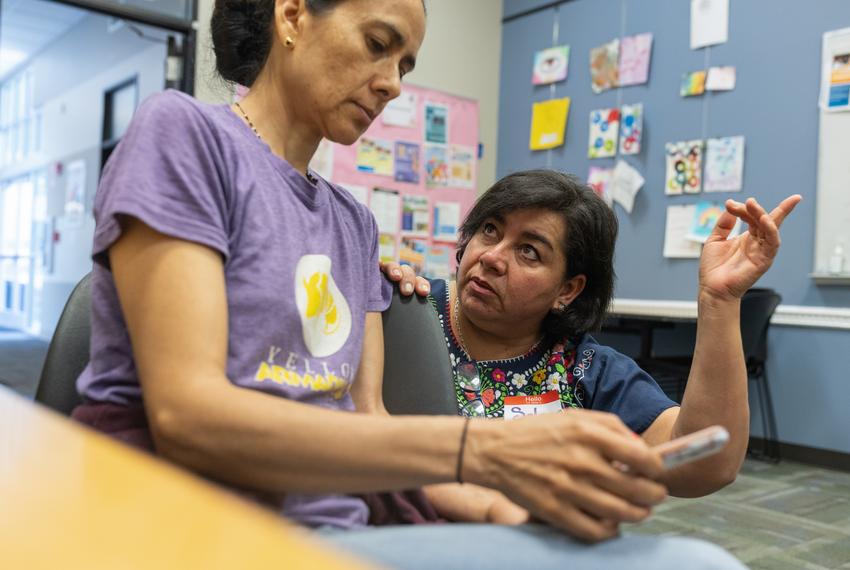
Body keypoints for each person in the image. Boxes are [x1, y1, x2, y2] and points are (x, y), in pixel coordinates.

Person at [71, 0, 748, 567]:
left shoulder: (353, 226)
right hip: (186, 524)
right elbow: (188, 417)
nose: (392, 83)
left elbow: (367, 426)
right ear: (293, 14)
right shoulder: (185, 134)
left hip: (339, 528)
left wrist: (516, 509)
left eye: (405, 65)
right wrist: (489, 451)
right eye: (377, 45)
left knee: (701, 562)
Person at [380, 169, 800, 522]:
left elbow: (708, 463)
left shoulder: (582, 367)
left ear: (568, 289)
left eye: (529, 251)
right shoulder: (402, 309)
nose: (492, 256)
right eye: (490, 230)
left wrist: (720, 301)